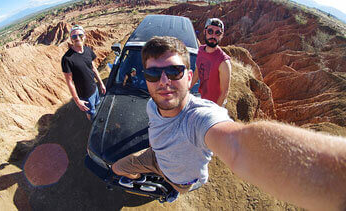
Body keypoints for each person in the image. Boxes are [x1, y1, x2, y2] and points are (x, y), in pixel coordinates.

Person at [112, 36, 346, 210]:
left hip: (180, 177)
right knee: (118, 168)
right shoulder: (153, 104)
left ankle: (168, 191)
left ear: (190, 77)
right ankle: (153, 181)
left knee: (171, 186)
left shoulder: (199, 117)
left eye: (174, 71)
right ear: (147, 79)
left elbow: (238, 145)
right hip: (156, 156)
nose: (164, 81)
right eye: (154, 74)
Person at [61, 25, 106, 120]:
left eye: (80, 35)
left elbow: (93, 68)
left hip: (95, 88)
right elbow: (69, 82)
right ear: (71, 39)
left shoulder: (88, 50)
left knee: (98, 105)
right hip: (85, 95)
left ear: (84, 36)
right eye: (74, 37)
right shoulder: (67, 59)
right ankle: (92, 124)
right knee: (91, 113)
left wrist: (101, 83)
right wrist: (77, 101)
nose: (77, 38)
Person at [191, 18, 231, 106]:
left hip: (215, 105)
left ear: (221, 35)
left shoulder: (223, 61)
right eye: (210, 31)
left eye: (218, 33)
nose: (213, 36)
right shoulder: (201, 50)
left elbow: (224, 92)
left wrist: (215, 110)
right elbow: (197, 73)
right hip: (202, 99)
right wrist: (187, 88)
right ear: (205, 32)